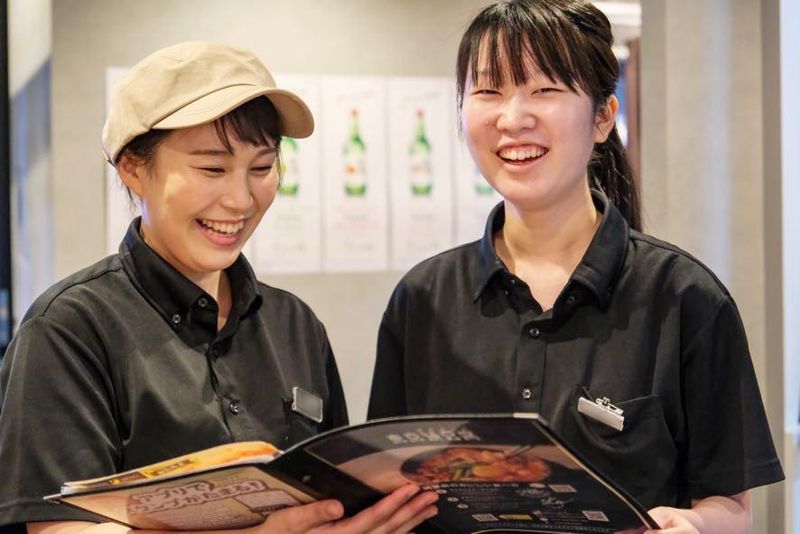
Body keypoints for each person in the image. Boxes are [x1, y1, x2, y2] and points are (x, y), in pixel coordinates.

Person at [367, 1, 784, 532]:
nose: (513, 118)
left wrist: (694, 526)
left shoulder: (683, 296)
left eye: (544, 89)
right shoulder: (422, 298)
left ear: (603, 117)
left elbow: (731, 508)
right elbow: (389, 490)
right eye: (488, 91)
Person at [0, 41, 437, 534]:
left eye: (262, 168)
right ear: (133, 167)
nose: (241, 199)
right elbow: (62, 530)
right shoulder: (69, 328)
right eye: (212, 168)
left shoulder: (295, 324)